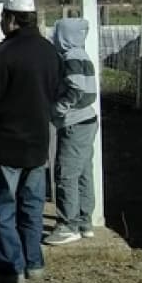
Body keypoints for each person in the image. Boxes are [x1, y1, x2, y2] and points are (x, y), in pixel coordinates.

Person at [0, 0, 61, 283]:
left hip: (4, 144)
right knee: (31, 208)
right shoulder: (49, 51)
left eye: (3, 18)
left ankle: (10, 268)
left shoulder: (4, 53)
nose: (1, 23)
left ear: (11, 19)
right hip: (37, 144)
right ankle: (33, 263)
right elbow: (55, 93)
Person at [43, 18, 99, 245]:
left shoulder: (71, 57)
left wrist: (58, 108)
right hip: (86, 122)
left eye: (57, 33)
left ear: (65, 35)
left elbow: (76, 87)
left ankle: (68, 226)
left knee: (66, 174)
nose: (53, 37)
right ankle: (84, 222)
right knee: (83, 173)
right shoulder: (81, 54)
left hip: (75, 123)